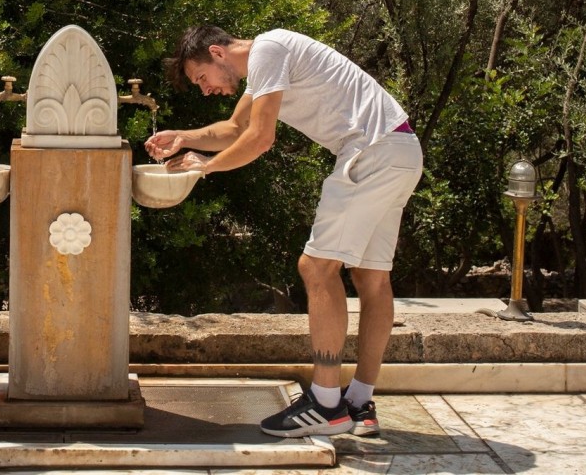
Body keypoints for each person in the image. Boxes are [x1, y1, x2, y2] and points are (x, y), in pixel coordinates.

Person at [145, 26, 422, 439]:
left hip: (370, 152)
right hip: (400, 150)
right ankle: (359, 402)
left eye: (202, 78)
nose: (205, 89)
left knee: (315, 268)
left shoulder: (267, 51)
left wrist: (206, 166)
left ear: (218, 53)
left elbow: (259, 139)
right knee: (369, 276)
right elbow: (235, 128)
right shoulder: (268, 61)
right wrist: (184, 137)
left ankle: (327, 405)